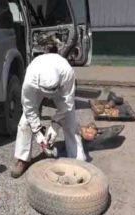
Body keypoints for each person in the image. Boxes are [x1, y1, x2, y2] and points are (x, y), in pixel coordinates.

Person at [11, 46, 86, 178]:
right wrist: (37, 131)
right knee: (24, 123)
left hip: (60, 89)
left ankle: (77, 160)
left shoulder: (67, 73)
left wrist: (54, 126)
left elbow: (67, 103)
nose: (48, 97)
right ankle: (22, 160)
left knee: (69, 120)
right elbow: (29, 107)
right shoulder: (31, 77)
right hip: (37, 88)